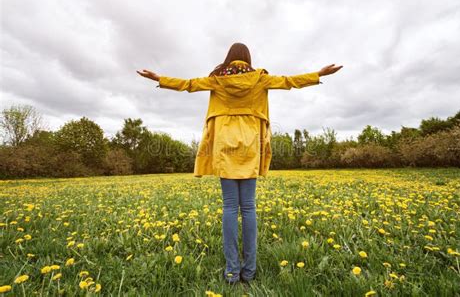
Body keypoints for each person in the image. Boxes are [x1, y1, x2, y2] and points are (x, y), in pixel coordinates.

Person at [137, 42, 343, 285]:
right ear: (247, 59)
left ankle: (232, 271)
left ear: (229, 58)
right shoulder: (260, 79)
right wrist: (318, 74)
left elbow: (188, 85)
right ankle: (250, 271)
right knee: (249, 208)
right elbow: (289, 81)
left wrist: (159, 78)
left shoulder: (216, 79)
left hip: (224, 144)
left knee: (229, 208)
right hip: (250, 145)